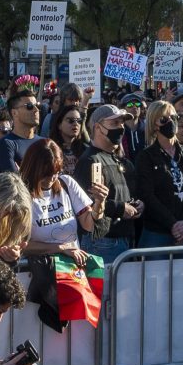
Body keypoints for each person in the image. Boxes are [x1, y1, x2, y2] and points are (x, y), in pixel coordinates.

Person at [130, 100, 183, 248]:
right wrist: (173, 225)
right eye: (164, 120)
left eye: (174, 118)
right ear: (154, 125)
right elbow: (147, 195)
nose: (171, 122)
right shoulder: (145, 157)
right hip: (157, 234)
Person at [69, 102, 142, 259]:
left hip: (125, 238)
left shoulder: (123, 161)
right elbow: (85, 204)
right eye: (114, 123)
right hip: (103, 242)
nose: (120, 127)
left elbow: (127, 193)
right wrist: (121, 208)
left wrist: (138, 204)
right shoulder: (90, 160)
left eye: (122, 122)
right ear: (97, 127)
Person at [18, 138, 96, 254]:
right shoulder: (20, 194)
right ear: (33, 169)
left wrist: (100, 203)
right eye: (46, 174)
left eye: (56, 173)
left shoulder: (66, 183)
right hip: (39, 268)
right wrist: (58, 248)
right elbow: (16, 244)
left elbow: (89, 225)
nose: (52, 179)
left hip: (72, 268)